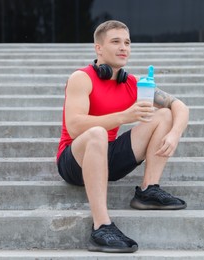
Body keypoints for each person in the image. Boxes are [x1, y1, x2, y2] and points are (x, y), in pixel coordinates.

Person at [56, 20, 189, 253]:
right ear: (99, 48)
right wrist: (124, 116)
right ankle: (101, 227)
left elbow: (180, 106)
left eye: (127, 42)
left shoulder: (133, 82)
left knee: (165, 114)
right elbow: (75, 126)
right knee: (96, 133)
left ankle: (148, 190)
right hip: (74, 159)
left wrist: (175, 135)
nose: (123, 47)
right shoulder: (82, 77)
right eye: (115, 42)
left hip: (108, 157)